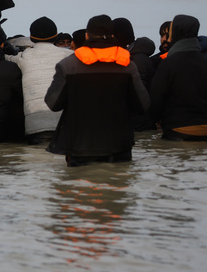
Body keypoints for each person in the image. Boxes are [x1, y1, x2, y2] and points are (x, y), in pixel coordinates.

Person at [44, 15, 150, 165]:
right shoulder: (128, 66)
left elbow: (53, 104)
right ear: (113, 36)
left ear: (87, 35)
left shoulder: (67, 66)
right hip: (119, 147)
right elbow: (143, 105)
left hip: (79, 147)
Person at [6, 16, 72, 143]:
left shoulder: (24, 57)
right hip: (63, 125)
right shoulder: (69, 56)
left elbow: (4, 58)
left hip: (35, 128)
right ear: (56, 36)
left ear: (31, 37)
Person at [150, 14, 207, 140]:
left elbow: (156, 99)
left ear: (175, 33)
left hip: (178, 129)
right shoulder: (204, 62)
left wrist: (154, 121)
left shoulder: (168, 63)